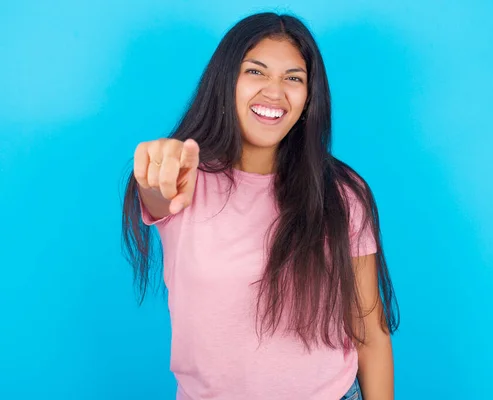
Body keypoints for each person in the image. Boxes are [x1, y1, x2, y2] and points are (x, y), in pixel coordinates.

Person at [121, 12, 399, 400]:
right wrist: (155, 173)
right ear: (226, 82)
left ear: (309, 99)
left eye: (293, 78)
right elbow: (158, 193)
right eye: (256, 72)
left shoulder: (342, 194)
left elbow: (370, 333)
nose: (274, 92)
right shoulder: (185, 178)